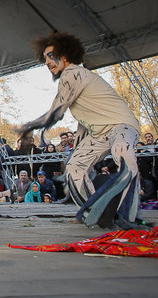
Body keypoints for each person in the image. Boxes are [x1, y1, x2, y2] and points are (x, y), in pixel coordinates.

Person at [17, 31, 143, 229]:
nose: (47, 62)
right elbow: (84, 120)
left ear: (66, 55)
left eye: (51, 56)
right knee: (74, 168)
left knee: (123, 154)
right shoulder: (75, 79)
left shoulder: (73, 73)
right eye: (45, 58)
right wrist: (79, 147)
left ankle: (128, 214)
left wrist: (28, 126)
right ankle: (93, 210)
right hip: (100, 133)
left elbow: (56, 112)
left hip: (122, 126)